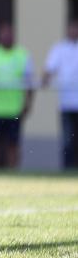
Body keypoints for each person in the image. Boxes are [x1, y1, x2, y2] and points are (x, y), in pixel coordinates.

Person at [0, 21, 33, 169]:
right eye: (4, 35)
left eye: (9, 35)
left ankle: (13, 175)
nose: (7, 37)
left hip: (14, 109)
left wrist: (27, 104)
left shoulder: (22, 55)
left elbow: (29, 83)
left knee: (13, 145)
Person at [41, 18, 78, 169]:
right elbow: (49, 69)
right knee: (68, 139)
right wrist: (44, 80)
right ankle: (67, 170)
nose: (75, 31)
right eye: (73, 28)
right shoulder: (59, 48)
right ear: (68, 30)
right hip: (67, 103)